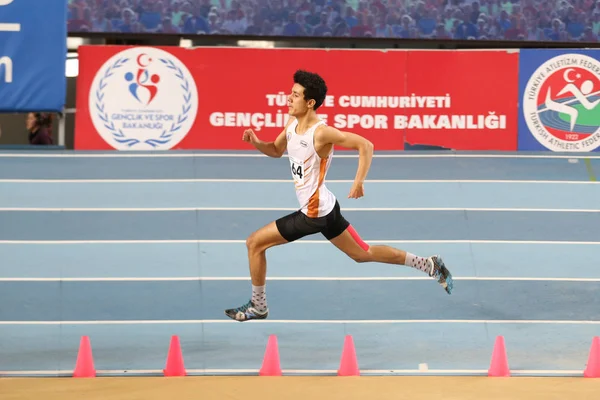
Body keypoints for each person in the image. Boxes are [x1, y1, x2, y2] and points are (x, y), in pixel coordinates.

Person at [225, 70, 453, 322]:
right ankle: (429, 265)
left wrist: (358, 182)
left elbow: (366, 145)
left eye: (295, 95)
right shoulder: (292, 125)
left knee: (254, 243)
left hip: (313, 214)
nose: (288, 98)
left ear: (310, 102)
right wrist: (256, 142)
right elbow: (276, 150)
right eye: (291, 93)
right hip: (327, 206)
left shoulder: (321, 133)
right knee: (362, 253)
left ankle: (258, 306)